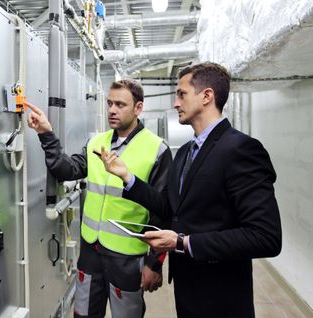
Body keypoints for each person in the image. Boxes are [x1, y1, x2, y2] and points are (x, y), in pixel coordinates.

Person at [98, 62, 282, 317]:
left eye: (182, 94)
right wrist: (127, 177)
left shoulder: (242, 149)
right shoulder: (185, 152)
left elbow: (265, 237)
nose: (175, 103)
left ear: (207, 96)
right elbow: (170, 208)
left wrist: (183, 243)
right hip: (187, 288)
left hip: (221, 296)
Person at [26, 78, 173, 318]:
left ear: (138, 108)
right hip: (91, 252)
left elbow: (163, 211)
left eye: (121, 105)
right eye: (110, 103)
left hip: (127, 256)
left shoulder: (156, 149)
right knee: (83, 314)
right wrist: (46, 134)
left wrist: (154, 263)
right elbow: (68, 170)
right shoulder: (97, 142)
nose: (112, 110)